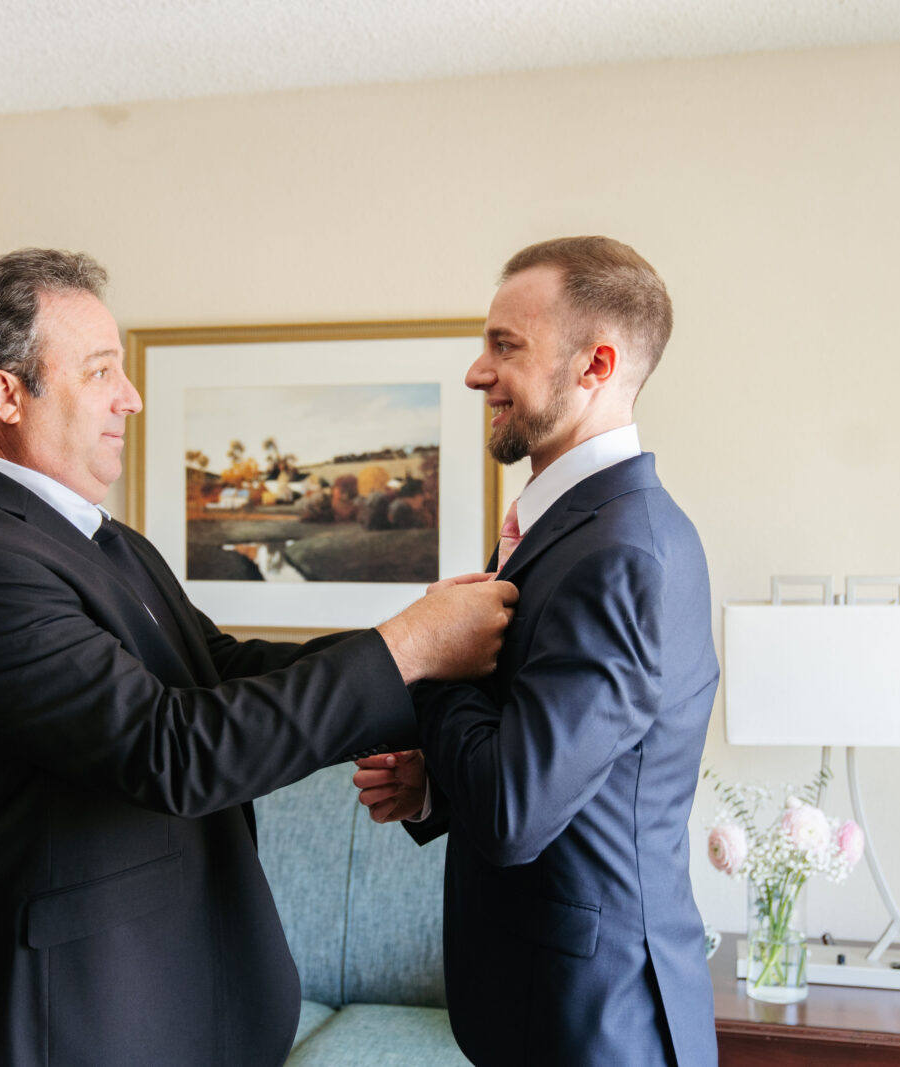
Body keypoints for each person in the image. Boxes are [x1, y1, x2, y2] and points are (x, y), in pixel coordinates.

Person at [0, 248, 517, 1067]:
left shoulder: (105, 540)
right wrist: (411, 646)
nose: (130, 397)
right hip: (63, 1022)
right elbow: (171, 749)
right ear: (5, 392)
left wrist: (421, 666)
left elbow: (219, 667)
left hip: (174, 1006)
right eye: (102, 369)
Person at [355, 236, 719, 1066]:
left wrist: (431, 655)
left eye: (504, 346)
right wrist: (435, 788)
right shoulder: (569, 528)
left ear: (596, 364)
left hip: (596, 1027)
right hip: (542, 1008)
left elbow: (515, 811)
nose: (476, 372)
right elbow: (564, 761)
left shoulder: (622, 553)